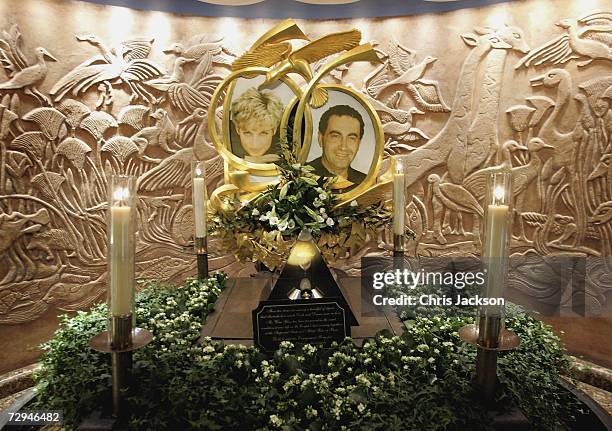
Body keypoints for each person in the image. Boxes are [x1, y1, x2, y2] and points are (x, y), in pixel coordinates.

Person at [309, 104, 367, 185]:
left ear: (359, 143)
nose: (343, 147)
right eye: (335, 136)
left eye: (351, 138)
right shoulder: (302, 175)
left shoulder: (365, 182)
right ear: (320, 138)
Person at [231, 87, 284, 163]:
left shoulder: (288, 142)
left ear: (274, 129)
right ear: (237, 129)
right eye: (247, 133)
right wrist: (253, 160)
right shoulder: (224, 135)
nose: (255, 144)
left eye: (263, 133)